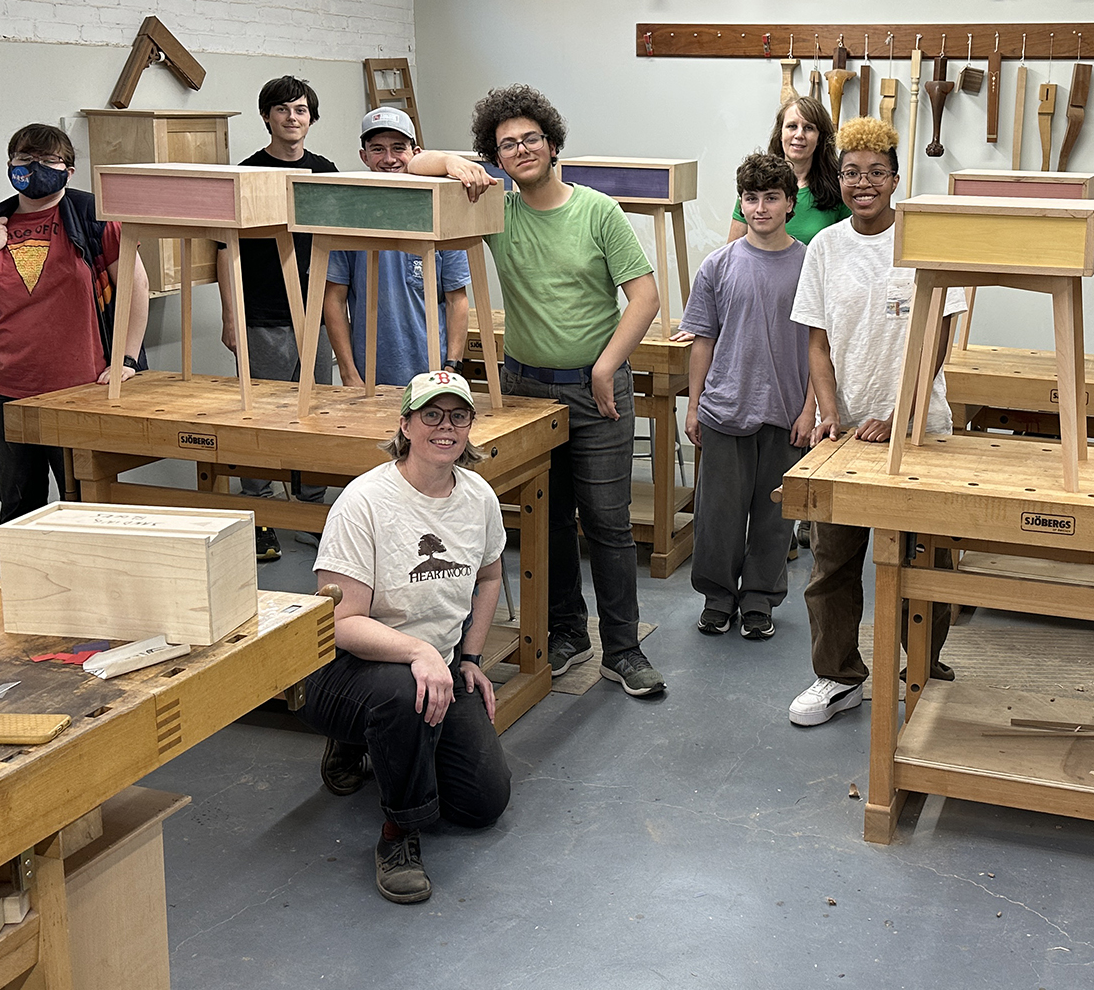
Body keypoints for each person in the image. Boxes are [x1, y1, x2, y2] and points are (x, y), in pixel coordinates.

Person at [470, 85, 666, 697]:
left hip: (596, 392)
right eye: (506, 144)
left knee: (607, 522)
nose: (521, 149)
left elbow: (645, 297)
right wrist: (453, 163)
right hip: (526, 391)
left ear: (553, 144)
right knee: (546, 520)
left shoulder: (598, 212)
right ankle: (567, 632)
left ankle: (623, 649)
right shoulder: (498, 212)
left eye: (531, 138)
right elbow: (415, 165)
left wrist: (606, 367)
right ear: (495, 158)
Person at [303, 370, 511, 903]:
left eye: (458, 416)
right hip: (348, 668)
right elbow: (341, 623)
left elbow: (490, 577)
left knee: (481, 804)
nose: (446, 427)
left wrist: (470, 657)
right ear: (406, 425)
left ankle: (390, 743)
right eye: (431, 415)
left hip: (437, 665)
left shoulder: (479, 497)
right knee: (403, 697)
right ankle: (398, 834)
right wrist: (418, 651)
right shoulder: (365, 502)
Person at [786, 117, 965, 727]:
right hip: (846, 435)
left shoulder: (924, 241)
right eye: (852, 173)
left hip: (920, 430)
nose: (863, 183)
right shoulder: (825, 247)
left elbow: (938, 337)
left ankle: (922, 672)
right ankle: (838, 677)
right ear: (839, 178)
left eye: (876, 172)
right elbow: (817, 342)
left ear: (894, 178)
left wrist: (900, 415)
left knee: (926, 561)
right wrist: (829, 411)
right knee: (831, 564)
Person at [0, 123, 146, 523]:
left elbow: (135, 288)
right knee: (20, 510)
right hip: (2, 393)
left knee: (90, 507)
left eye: (48, 160)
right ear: (10, 165)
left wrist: (127, 359)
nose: (34, 167)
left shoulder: (93, 216)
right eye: (24, 158)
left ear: (68, 170)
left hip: (82, 390)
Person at [682, 152, 816, 641]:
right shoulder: (718, 266)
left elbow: (822, 345)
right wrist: (694, 405)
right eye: (751, 198)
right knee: (717, 516)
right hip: (725, 409)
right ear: (741, 203)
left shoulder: (810, 265)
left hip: (786, 412)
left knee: (774, 518)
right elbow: (703, 340)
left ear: (790, 204)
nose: (760, 208)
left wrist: (811, 409)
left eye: (771, 198)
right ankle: (717, 598)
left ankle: (759, 600)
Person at [218, 76, 339, 562]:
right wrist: (231, 317)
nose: (293, 117)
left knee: (317, 414)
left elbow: (339, 247)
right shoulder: (246, 174)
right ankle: (260, 514)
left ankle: (312, 512)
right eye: (283, 109)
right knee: (261, 416)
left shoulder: (325, 172)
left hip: (317, 317)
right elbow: (225, 251)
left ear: (312, 118)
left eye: (301, 109)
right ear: (267, 116)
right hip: (261, 315)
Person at [323, 107, 489, 392]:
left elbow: (456, 299)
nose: (389, 159)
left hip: (432, 375)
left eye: (398, 148)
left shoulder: (440, 213)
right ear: (364, 156)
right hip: (369, 378)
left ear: (416, 153)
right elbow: (334, 299)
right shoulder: (347, 217)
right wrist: (349, 374)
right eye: (378, 149)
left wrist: (451, 367)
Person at [724, 97, 847, 245]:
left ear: (820, 138)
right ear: (780, 134)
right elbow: (732, 252)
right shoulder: (756, 182)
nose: (799, 135)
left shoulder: (838, 187)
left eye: (809, 128)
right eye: (792, 126)